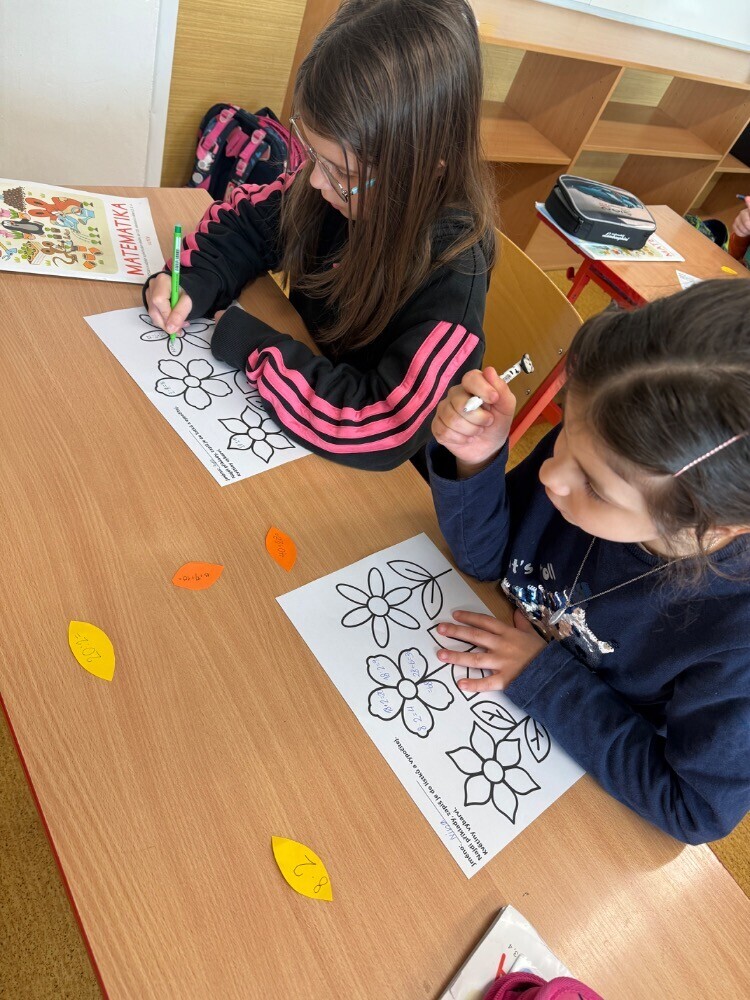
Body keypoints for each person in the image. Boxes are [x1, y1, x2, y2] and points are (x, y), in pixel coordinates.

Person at [427, 279, 750, 844]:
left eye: (595, 488)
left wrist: (542, 675)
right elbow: (486, 563)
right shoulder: (605, 444)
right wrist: (477, 462)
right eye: (563, 436)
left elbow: (696, 809)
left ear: (711, 528)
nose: (551, 475)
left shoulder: (735, 636)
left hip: (571, 803)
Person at [144, 0, 496, 471]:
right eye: (313, 155)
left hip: (357, 476)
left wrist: (252, 345)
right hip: (295, 418)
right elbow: (247, 223)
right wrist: (194, 280)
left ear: (424, 171)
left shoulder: (453, 274)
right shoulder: (337, 191)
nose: (314, 182)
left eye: (340, 172)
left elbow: (383, 426)